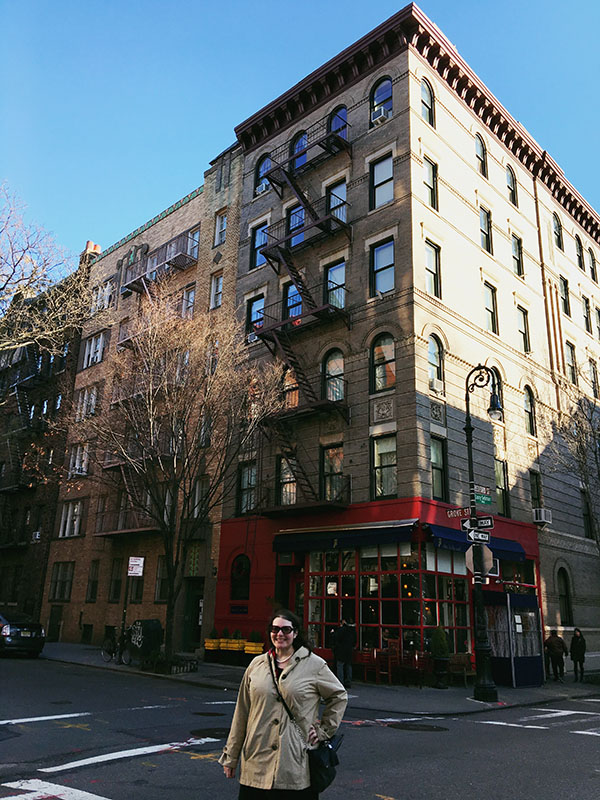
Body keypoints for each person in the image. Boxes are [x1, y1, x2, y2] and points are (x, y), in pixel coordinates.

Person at [219, 608, 347, 798]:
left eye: (286, 630)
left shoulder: (314, 665)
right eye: (275, 629)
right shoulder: (257, 664)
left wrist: (324, 731)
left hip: (294, 763)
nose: (280, 634)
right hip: (256, 760)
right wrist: (231, 756)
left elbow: (339, 696)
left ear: (295, 633)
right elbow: (242, 712)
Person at [333, 618, 356, 689]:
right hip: (349, 650)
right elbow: (355, 641)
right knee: (348, 665)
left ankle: (340, 682)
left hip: (341, 650)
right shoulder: (353, 630)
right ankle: (348, 681)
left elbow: (336, 638)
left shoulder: (342, 630)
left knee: (340, 665)